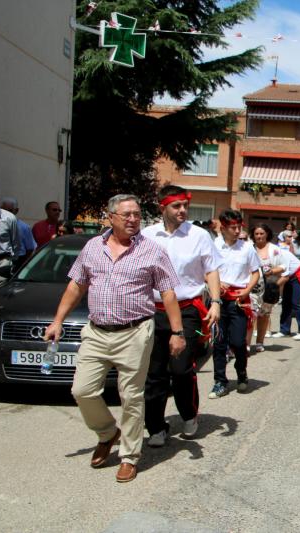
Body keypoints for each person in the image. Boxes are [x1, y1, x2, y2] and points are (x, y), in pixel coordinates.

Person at [44, 194, 183, 483]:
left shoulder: (152, 251)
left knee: (131, 396)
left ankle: (130, 456)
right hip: (96, 332)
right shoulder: (92, 247)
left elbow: (168, 293)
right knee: (82, 390)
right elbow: (76, 285)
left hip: (135, 331)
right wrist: (57, 320)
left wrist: (177, 332)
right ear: (110, 218)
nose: (133, 219)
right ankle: (108, 433)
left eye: (136, 214)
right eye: (126, 214)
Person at [140, 186, 223, 446]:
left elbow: (211, 271)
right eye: (176, 206)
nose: (183, 211)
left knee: (181, 367)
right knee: (154, 373)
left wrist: (216, 301)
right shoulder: (146, 236)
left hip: (188, 310)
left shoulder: (199, 235)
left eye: (185, 205)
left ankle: (188, 413)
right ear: (162, 206)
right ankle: (155, 427)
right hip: (153, 310)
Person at [209, 209, 260, 399]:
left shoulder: (247, 247)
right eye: (233, 227)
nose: (237, 230)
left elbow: (256, 272)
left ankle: (241, 373)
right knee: (219, 343)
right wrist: (214, 282)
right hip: (218, 301)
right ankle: (219, 381)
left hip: (239, 301)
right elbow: (204, 270)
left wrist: (247, 290)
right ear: (223, 227)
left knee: (238, 342)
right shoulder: (212, 246)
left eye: (240, 226)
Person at [252, 224, 287, 347]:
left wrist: (272, 271)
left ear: (267, 234)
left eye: (261, 233)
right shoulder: (249, 248)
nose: (259, 236)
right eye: (256, 234)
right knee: (250, 316)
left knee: (263, 316)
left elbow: (283, 266)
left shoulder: (274, 249)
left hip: (268, 289)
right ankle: (244, 345)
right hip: (252, 289)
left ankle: (259, 343)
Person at [0, 197, 36, 269]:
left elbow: (30, 248)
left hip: (17, 261)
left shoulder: (24, 227)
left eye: (10, 210)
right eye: (4, 211)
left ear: (16, 211)